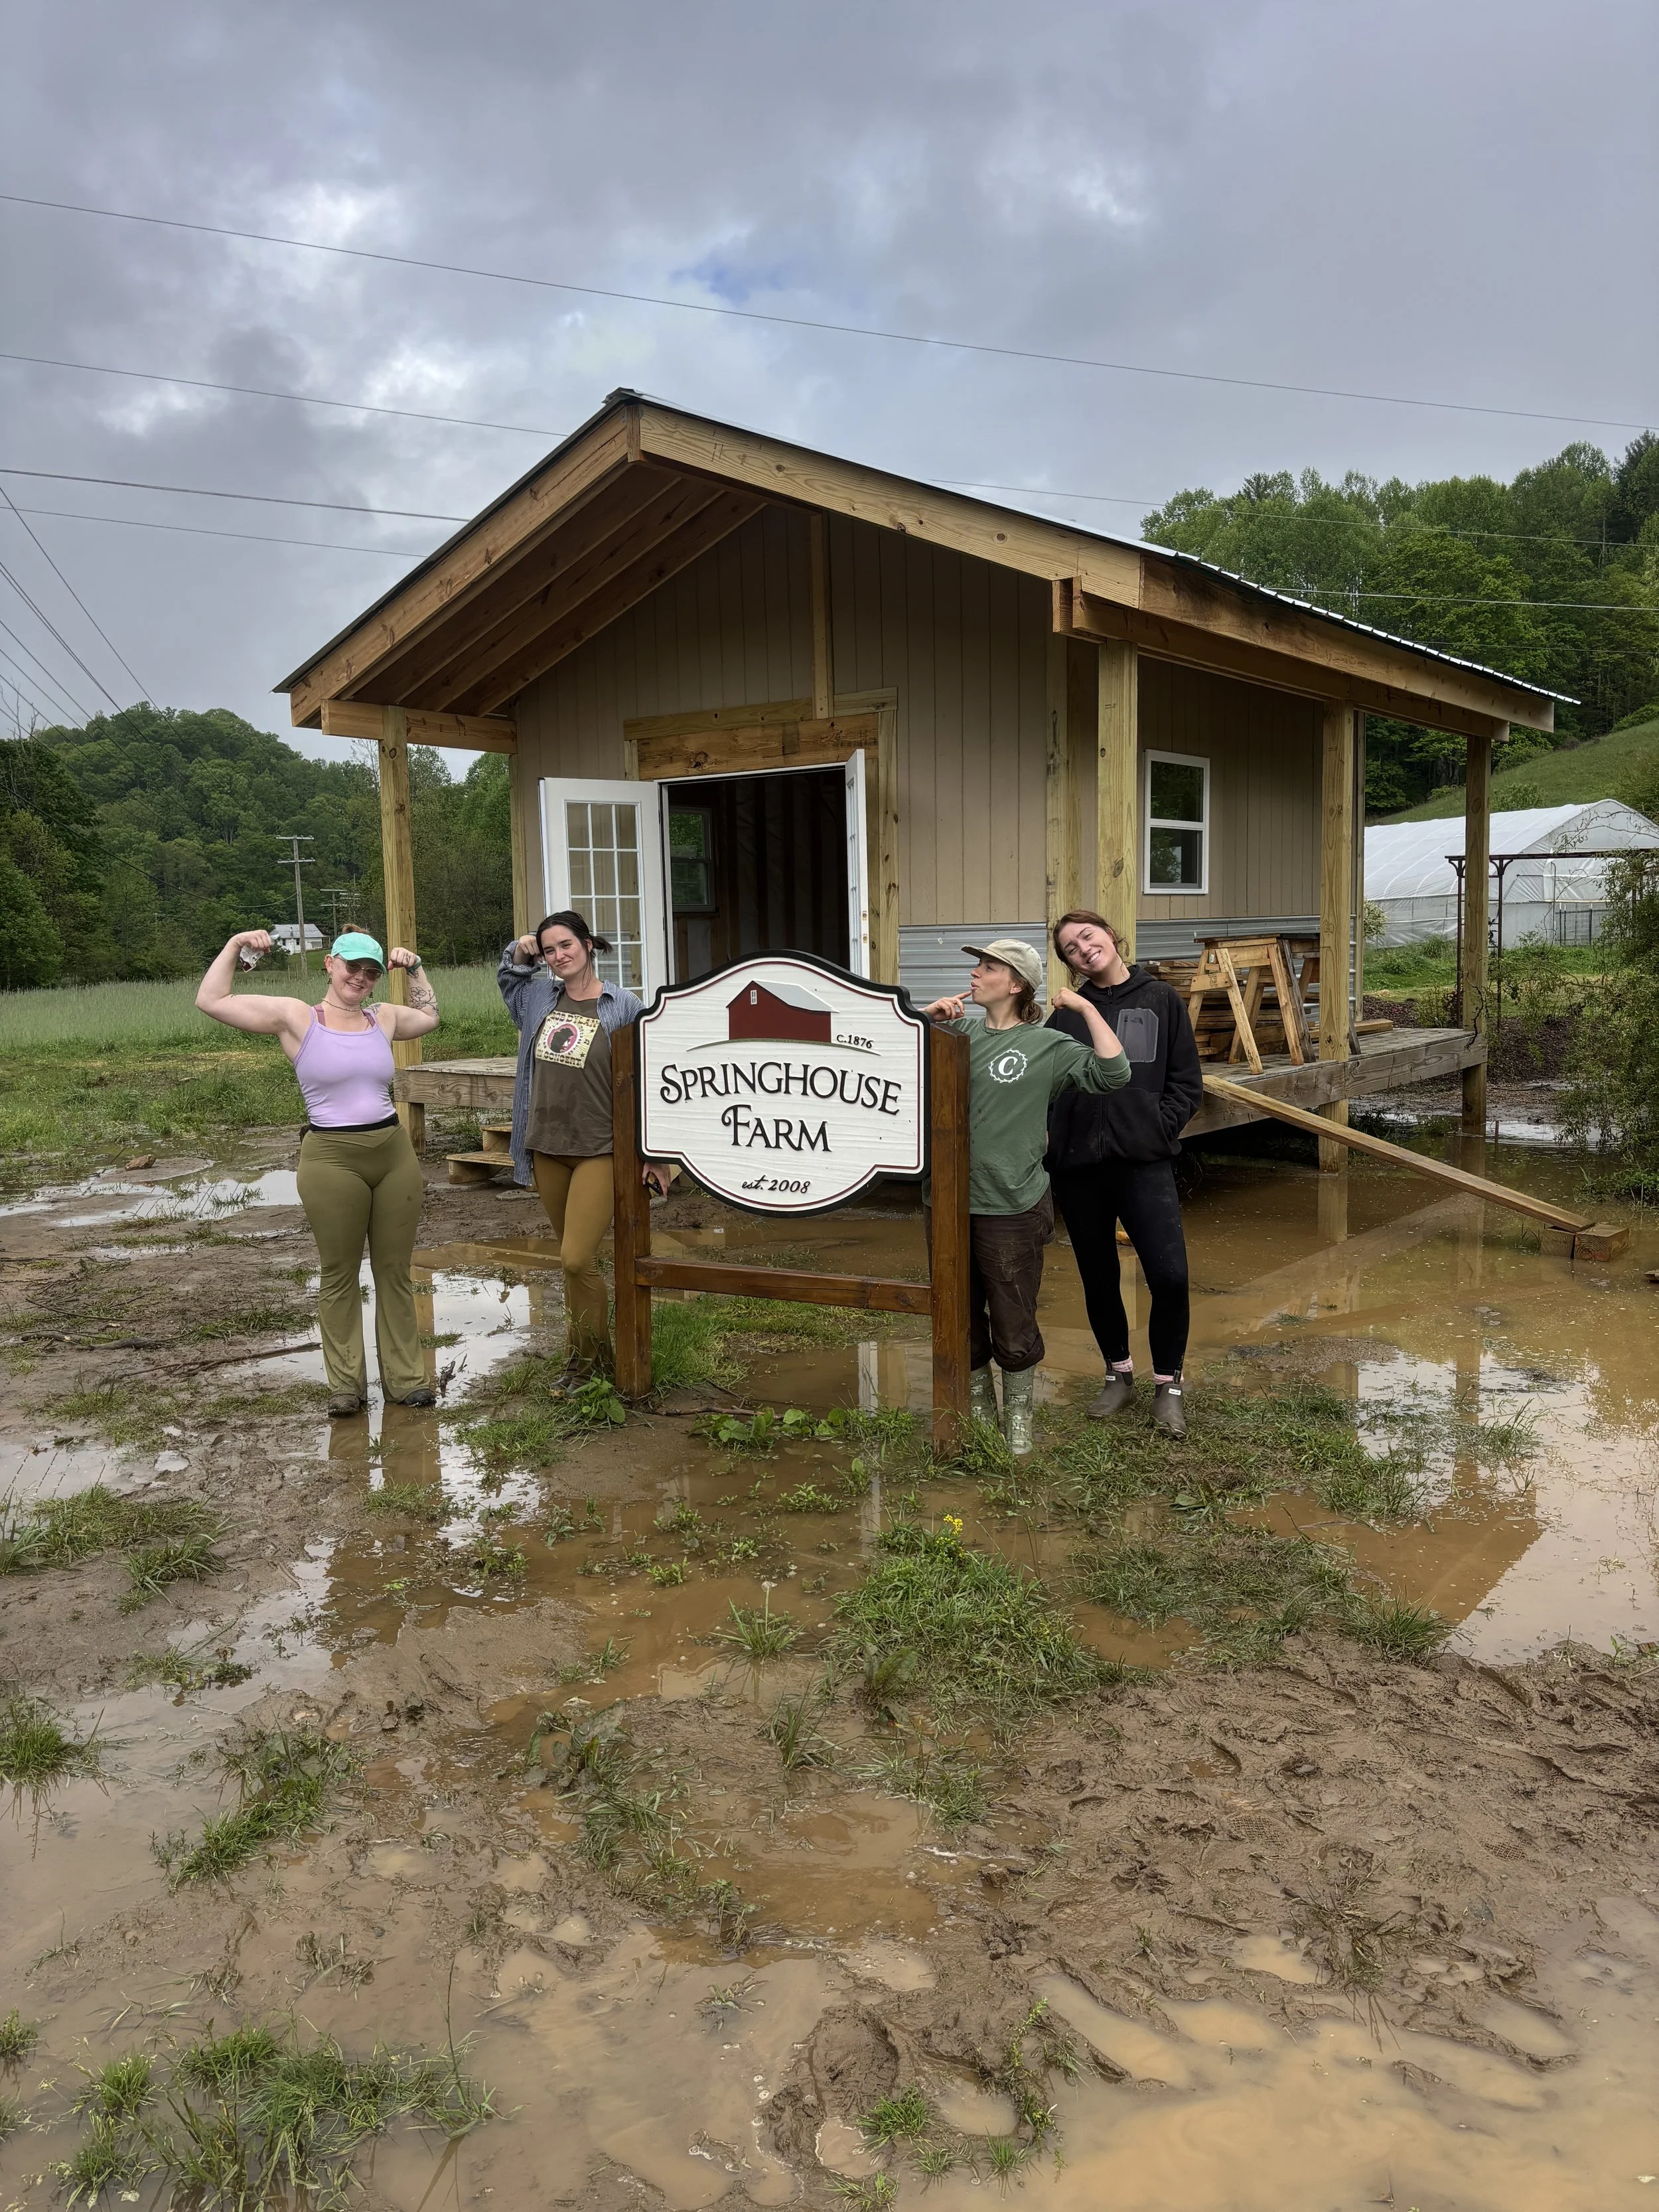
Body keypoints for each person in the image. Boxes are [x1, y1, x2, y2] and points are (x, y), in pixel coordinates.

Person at [196, 927, 440, 1418]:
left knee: (394, 1270)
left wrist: (413, 968)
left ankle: (408, 1379)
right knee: (339, 1273)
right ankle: (347, 1385)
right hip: (331, 1158)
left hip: (393, 1153)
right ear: (330, 964)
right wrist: (234, 944)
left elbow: (431, 1016)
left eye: (371, 972)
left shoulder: (384, 1017)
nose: (361, 978)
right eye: (353, 967)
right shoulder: (296, 1016)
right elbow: (211, 999)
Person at [922, 939, 1129, 1456]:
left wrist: (1083, 1006)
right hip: (945, 1202)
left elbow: (1114, 1072)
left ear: (1015, 984)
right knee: (958, 1313)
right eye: (977, 964)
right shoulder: (956, 1032)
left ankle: (1018, 1419)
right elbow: (887, 1051)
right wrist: (926, 1016)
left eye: (987, 967)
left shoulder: (1047, 1046)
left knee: (1013, 1319)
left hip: (1011, 1204)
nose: (975, 974)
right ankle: (979, 1411)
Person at [1045, 909, 1204, 1439]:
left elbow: (1186, 1082)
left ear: (1111, 935)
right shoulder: (1066, 1014)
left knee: (1170, 1276)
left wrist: (1156, 1128)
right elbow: (1046, 1082)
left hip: (1143, 1162)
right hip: (1080, 1168)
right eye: (1071, 947)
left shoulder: (1161, 1000)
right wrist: (1056, 1136)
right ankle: (1118, 1372)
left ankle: (1169, 1385)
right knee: (1098, 1275)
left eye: (1088, 936)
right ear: (1069, 962)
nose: (1084, 949)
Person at [498, 911, 668, 1388]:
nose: (559, 956)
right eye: (550, 950)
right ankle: (587, 1363)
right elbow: (509, 978)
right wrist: (521, 947)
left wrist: (656, 1153)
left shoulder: (623, 1004)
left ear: (589, 944)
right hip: (548, 1147)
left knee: (576, 1257)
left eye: (566, 945)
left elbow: (648, 1078)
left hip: (600, 1149)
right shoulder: (537, 999)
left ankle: (589, 1364)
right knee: (575, 1262)